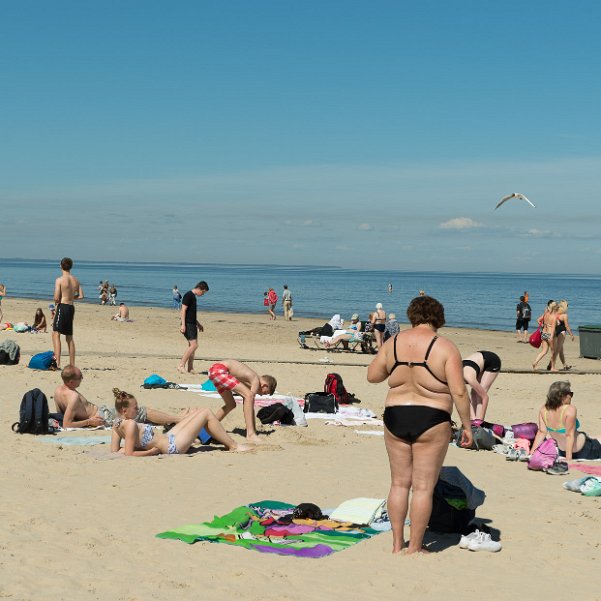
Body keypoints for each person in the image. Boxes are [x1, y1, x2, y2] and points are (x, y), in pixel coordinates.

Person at [367, 296, 472, 555]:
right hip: (432, 417)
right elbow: (459, 392)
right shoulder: (445, 347)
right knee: (423, 486)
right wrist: (468, 426)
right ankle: (414, 547)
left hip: (396, 415)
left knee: (399, 484)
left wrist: (399, 367)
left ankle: (395, 544)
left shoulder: (392, 343)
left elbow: (373, 376)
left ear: (411, 315)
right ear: (439, 317)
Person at [110, 388, 253, 456]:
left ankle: (207, 438)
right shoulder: (130, 424)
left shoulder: (116, 424)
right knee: (206, 413)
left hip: (169, 438)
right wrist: (151, 452)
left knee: (197, 412)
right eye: (135, 408)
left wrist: (142, 447)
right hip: (172, 446)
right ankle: (233, 445)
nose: (138, 410)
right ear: (124, 410)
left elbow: (115, 450)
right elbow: (129, 454)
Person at [54, 365, 185, 428]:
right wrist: (89, 422)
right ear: (71, 382)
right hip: (103, 416)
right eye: (80, 378)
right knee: (143, 412)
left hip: (103, 413)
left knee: (141, 417)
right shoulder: (73, 397)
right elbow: (66, 423)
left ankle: (173, 420)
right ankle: (179, 419)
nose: (82, 379)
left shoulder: (58, 391)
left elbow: (60, 416)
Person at [207, 359, 277, 444]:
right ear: (264, 385)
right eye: (264, 392)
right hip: (219, 370)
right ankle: (250, 434)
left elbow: (248, 401)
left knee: (231, 404)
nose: (262, 395)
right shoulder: (255, 379)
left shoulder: (249, 379)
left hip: (214, 371)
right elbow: (250, 398)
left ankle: (206, 428)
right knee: (249, 396)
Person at [530, 381, 601, 461]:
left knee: (595, 437)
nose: (571, 397)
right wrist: (568, 459)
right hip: (586, 450)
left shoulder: (544, 410)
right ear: (563, 396)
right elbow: (569, 435)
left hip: (563, 451)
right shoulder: (569, 410)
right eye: (570, 394)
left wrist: (532, 452)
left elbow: (542, 432)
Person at [52, 257, 84, 369]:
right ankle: (72, 364)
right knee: (69, 337)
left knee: (56, 334)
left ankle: (57, 362)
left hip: (62, 306)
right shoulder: (75, 280)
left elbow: (56, 298)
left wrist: (58, 301)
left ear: (61, 266)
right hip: (71, 307)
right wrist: (71, 297)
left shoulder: (59, 280)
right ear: (71, 267)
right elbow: (81, 296)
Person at [178, 281, 209, 374]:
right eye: (203, 292)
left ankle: (190, 368)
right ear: (199, 288)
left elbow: (191, 314)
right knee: (194, 345)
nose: (202, 294)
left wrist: (198, 324)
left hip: (192, 323)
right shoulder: (188, 295)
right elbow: (183, 310)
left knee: (192, 346)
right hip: (187, 324)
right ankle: (181, 365)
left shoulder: (193, 297)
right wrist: (183, 325)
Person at [462, 351, 502, 421]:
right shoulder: (454, 379)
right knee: (473, 393)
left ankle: (478, 422)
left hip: (492, 361)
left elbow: (485, 398)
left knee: (479, 394)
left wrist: (480, 421)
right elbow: (465, 398)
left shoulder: (469, 377)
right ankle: (474, 421)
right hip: (476, 361)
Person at [532, 301, 559, 371]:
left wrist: (542, 325)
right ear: (555, 309)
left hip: (544, 333)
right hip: (550, 335)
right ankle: (552, 367)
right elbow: (553, 328)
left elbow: (540, 321)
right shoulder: (554, 317)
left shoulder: (546, 314)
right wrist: (551, 337)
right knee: (553, 352)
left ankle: (535, 362)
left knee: (544, 351)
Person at [549, 300, 574, 371]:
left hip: (555, 332)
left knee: (560, 351)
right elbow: (567, 326)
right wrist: (571, 335)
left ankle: (565, 365)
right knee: (557, 350)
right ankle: (551, 365)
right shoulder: (564, 315)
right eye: (567, 305)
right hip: (562, 333)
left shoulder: (555, 313)